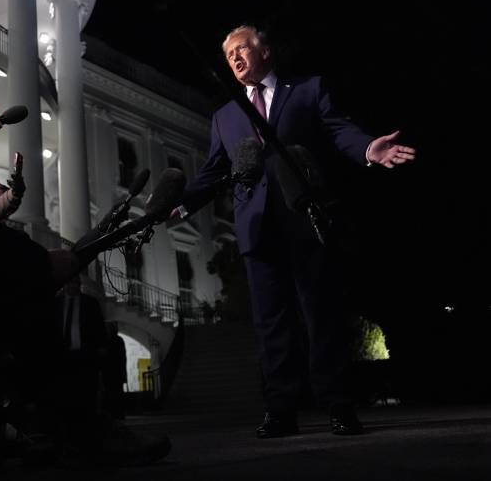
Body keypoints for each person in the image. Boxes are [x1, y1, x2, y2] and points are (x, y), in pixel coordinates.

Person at [175, 25, 416, 438]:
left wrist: (366, 148)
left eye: (242, 48)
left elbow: (338, 129)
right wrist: (179, 203)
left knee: (321, 315)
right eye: (229, 54)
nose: (235, 58)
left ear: (265, 51)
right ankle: (280, 411)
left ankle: (338, 406)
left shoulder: (306, 90)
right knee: (271, 323)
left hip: (305, 217)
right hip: (256, 227)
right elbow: (213, 171)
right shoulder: (225, 115)